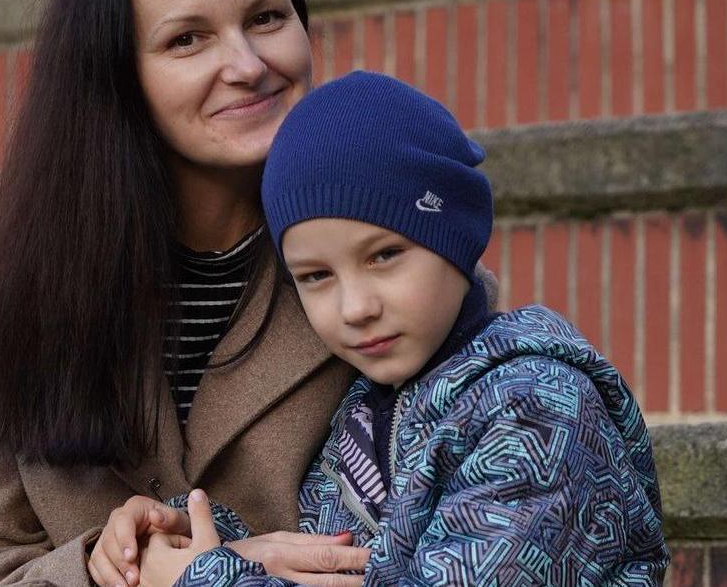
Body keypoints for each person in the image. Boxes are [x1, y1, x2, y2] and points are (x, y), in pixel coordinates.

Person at [0, 0, 383, 585]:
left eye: (269, 18)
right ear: (117, 74)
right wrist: (122, 574)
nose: (248, 65)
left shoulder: (398, 255)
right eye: (187, 38)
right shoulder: (3, 292)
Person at [123, 71, 670, 585]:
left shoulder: (538, 410)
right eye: (316, 276)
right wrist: (194, 536)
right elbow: (334, 557)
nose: (355, 306)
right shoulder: (369, 408)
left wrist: (205, 578)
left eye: (384, 255)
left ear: (453, 237)